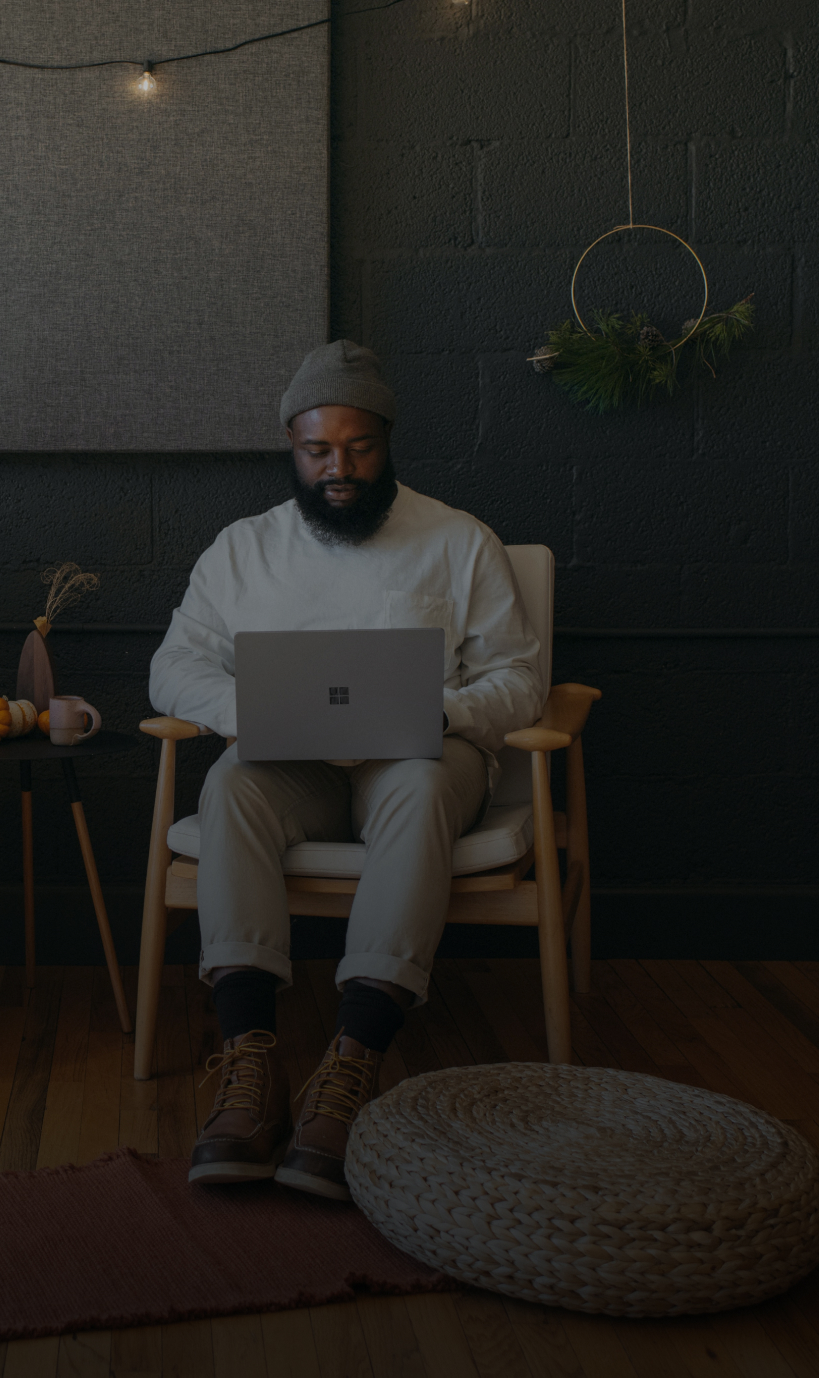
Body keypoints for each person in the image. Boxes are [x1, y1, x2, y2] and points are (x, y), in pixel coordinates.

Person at [149, 340, 542, 1198]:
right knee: (229, 783)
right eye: (317, 450)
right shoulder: (242, 550)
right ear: (292, 446)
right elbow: (173, 666)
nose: (338, 468)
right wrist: (245, 715)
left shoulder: (458, 540)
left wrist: (444, 711)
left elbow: (521, 679)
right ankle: (250, 1069)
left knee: (422, 782)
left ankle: (355, 1057)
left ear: (387, 440)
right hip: (295, 767)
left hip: (417, 761)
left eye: (358, 449)